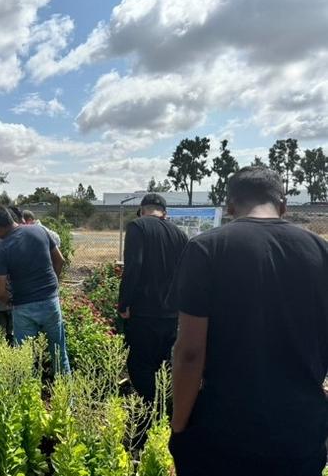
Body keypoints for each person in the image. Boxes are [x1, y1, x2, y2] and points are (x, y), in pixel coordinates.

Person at [167, 166, 328, 476]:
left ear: (229, 206)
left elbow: (188, 352)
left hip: (223, 433)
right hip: (299, 433)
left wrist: (179, 427)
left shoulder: (206, 248)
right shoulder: (321, 252)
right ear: (283, 204)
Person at [118, 193, 188, 402]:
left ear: (142, 209)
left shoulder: (138, 227)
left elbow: (134, 266)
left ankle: (150, 408)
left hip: (144, 311)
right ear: (165, 213)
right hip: (171, 313)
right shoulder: (180, 234)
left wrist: (124, 303)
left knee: (139, 364)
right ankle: (165, 405)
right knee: (163, 362)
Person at [0, 206, 70, 374]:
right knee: (59, 353)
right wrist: (52, 283)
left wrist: (10, 301)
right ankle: (67, 398)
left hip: (24, 307)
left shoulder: (4, 248)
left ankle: (27, 396)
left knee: (24, 358)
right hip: (50, 301)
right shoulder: (39, 230)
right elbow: (60, 260)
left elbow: (0, 290)